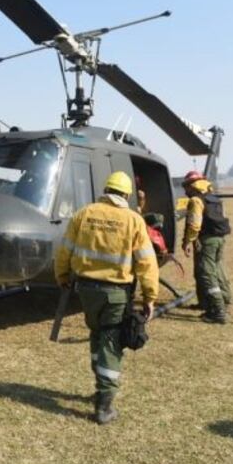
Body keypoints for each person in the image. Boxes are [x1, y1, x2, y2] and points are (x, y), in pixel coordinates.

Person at [54, 171, 159, 425]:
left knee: (96, 333)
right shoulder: (133, 220)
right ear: (126, 195)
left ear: (106, 190)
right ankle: (104, 405)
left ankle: (99, 386)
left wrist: (63, 276)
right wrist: (150, 296)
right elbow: (146, 262)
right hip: (116, 293)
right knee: (111, 341)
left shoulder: (84, 214)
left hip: (86, 290)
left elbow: (64, 250)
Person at [181, 171, 233, 324]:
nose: (185, 191)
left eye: (186, 186)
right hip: (219, 239)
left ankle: (218, 311)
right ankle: (220, 301)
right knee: (218, 270)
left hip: (206, 241)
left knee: (206, 273)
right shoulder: (214, 199)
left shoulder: (196, 200)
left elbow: (194, 224)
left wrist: (187, 241)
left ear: (192, 186)